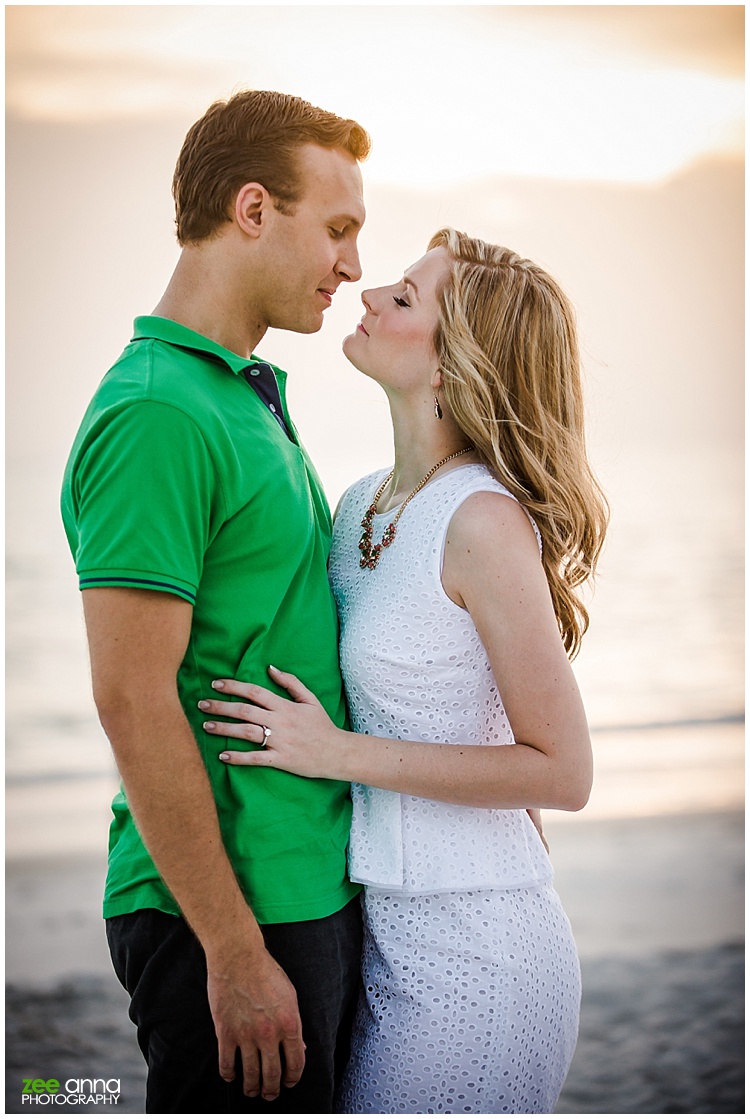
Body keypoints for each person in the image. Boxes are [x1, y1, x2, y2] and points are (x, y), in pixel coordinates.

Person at [197, 227, 609, 1113]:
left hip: (483, 954)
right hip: (384, 941)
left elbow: (563, 771)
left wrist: (332, 751)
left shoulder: (485, 524)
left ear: (457, 363)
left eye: (408, 296)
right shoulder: (358, 506)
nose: (372, 291)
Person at [60, 90, 370, 1113]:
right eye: (337, 229)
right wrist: (232, 951)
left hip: (299, 883)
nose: (354, 265)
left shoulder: (237, 391)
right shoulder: (157, 411)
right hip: (230, 912)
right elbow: (133, 698)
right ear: (251, 210)